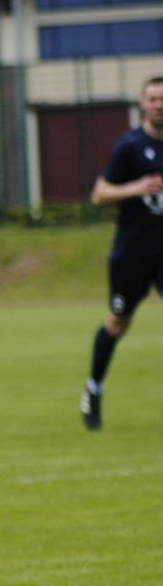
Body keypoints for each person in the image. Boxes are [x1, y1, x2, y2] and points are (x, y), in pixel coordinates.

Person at [80, 75, 163, 431]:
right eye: (154, 98)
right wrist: (137, 188)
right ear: (142, 104)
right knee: (118, 322)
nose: (159, 104)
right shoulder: (129, 146)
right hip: (132, 253)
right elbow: (99, 194)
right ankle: (94, 388)